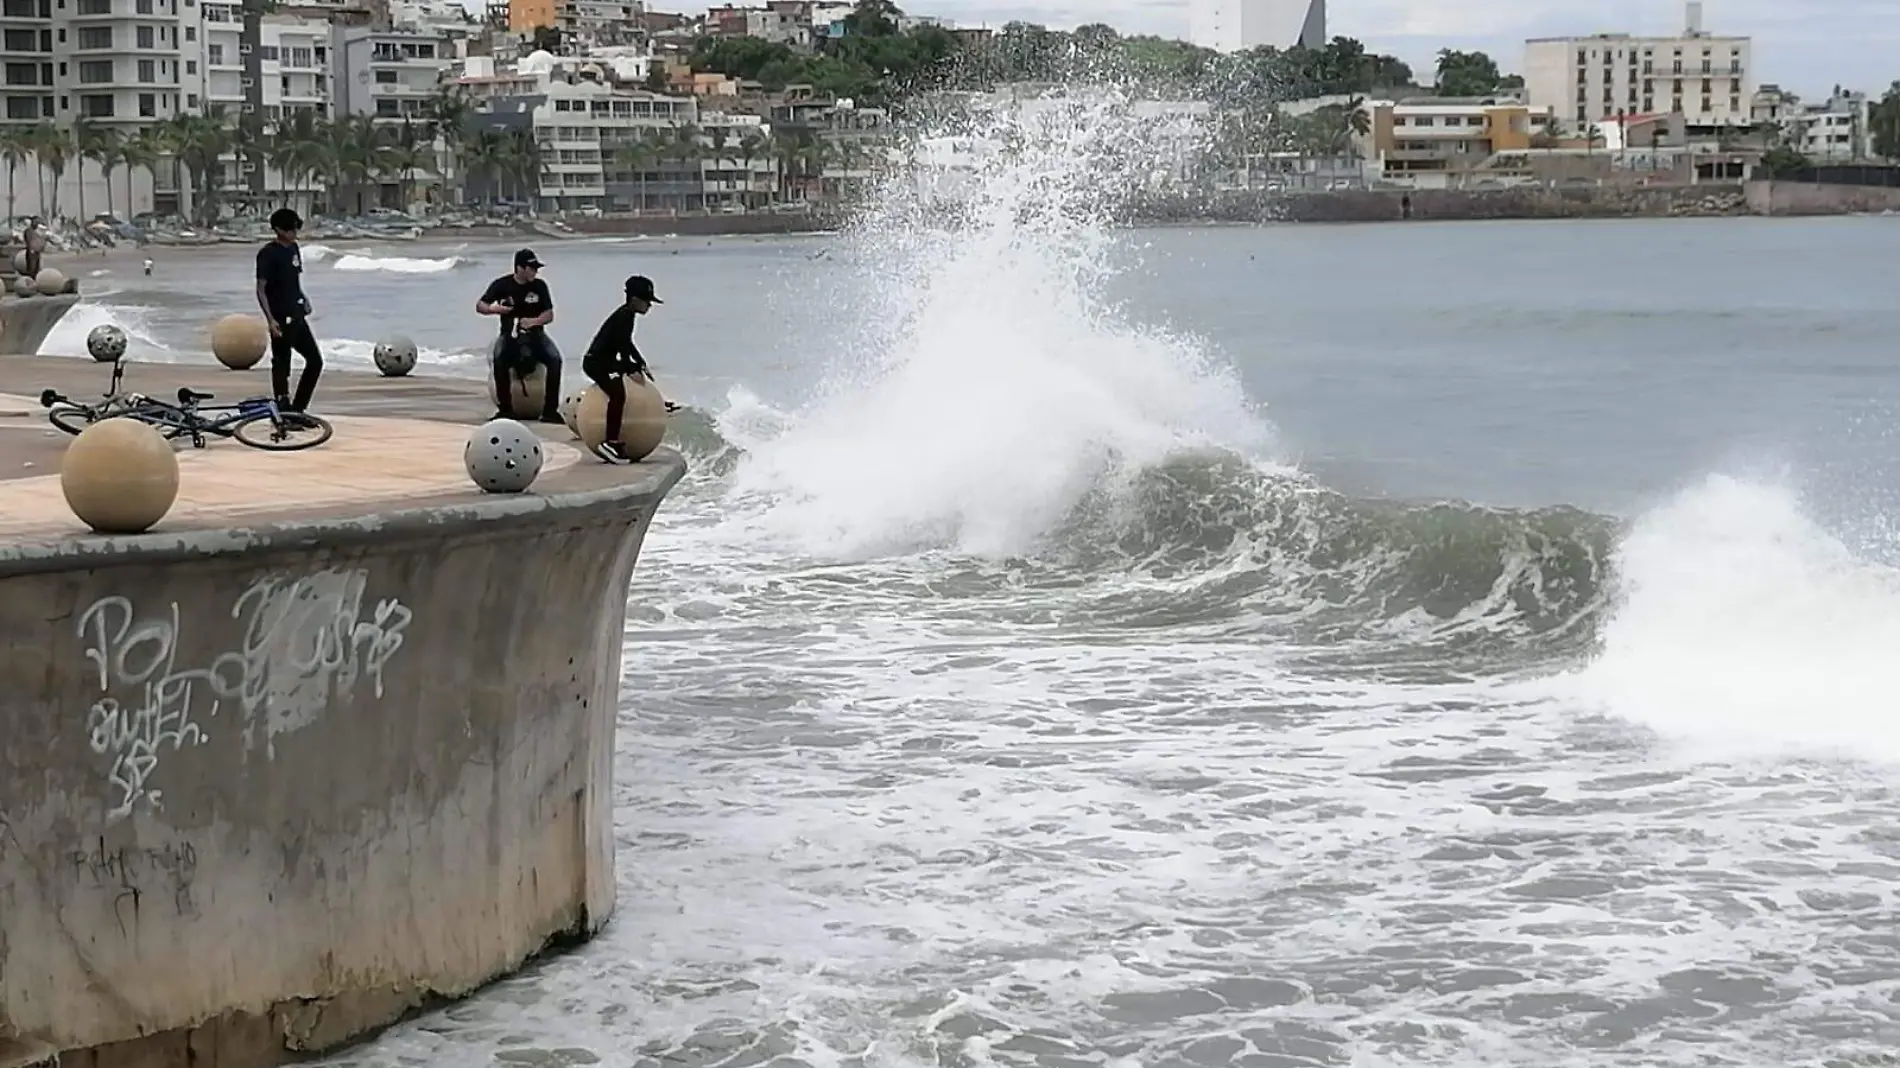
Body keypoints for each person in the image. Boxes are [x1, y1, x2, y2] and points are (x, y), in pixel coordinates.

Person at [581, 274, 673, 463]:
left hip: (606, 361)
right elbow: (622, 348)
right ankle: (610, 442)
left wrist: (640, 363)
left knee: (624, 381)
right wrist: (630, 369)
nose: (649, 305)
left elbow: (627, 343)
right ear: (634, 299)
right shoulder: (623, 316)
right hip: (596, 363)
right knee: (618, 394)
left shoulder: (628, 315)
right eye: (647, 301)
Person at [476, 248, 563, 424]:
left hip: (536, 335)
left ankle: (550, 410)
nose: (535, 271)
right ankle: (505, 409)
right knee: (499, 358)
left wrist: (534, 322)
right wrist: (496, 309)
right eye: (532, 268)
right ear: (520, 268)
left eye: (536, 268)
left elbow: (549, 314)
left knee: (555, 359)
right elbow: (480, 305)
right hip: (510, 335)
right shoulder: (502, 285)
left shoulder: (539, 286)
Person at [254, 207, 323, 413]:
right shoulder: (267, 254)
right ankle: (283, 410)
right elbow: (260, 289)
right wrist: (270, 319)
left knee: (315, 361)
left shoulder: (294, 249)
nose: (294, 233)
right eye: (290, 229)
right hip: (280, 316)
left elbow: (294, 280)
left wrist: (304, 298)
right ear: (278, 230)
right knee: (282, 364)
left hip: (297, 313)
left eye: (295, 228)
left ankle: (298, 409)